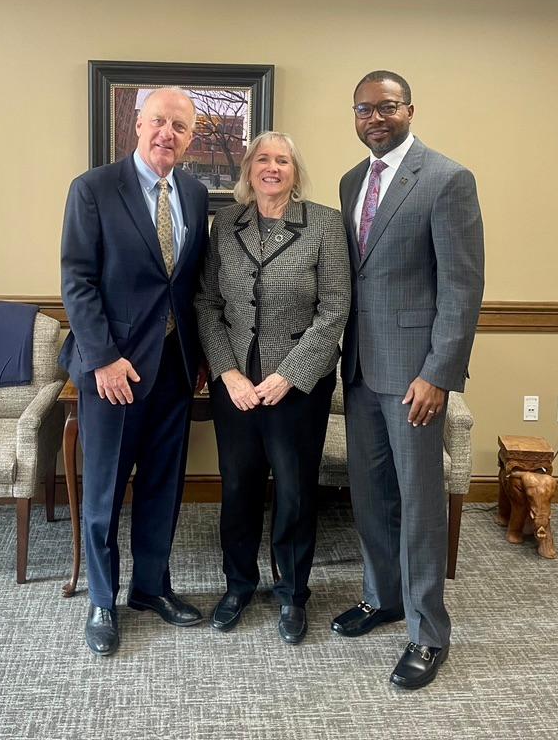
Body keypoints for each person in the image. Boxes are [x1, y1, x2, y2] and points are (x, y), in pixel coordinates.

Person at [332, 71, 484, 688]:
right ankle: (383, 596)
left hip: (416, 379)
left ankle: (426, 632)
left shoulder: (447, 179)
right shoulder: (349, 182)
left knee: (420, 503)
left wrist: (439, 375)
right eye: (364, 109)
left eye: (387, 107)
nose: (375, 117)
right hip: (362, 371)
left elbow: (462, 287)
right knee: (370, 496)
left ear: (410, 110)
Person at [60, 88, 209, 656]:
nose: (166, 133)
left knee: (162, 487)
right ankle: (103, 598)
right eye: (157, 122)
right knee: (103, 491)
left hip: (173, 368)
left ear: (191, 136)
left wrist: (197, 357)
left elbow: (188, 285)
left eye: (179, 125)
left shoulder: (194, 195)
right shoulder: (94, 189)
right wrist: (100, 358)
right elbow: (78, 279)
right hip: (112, 370)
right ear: (137, 127)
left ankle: (152, 588)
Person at [195, 131, 350, 644]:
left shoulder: (325, 224)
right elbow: (207, 304)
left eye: (282, 160)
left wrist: (289, 375)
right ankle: (238, 585)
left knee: (295, 491)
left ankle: (292, 593)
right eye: (262, 158)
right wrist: (229, 373)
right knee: (238, 487)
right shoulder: (226, 226)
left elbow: (334, 310)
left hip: (299, 387)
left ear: (295, 171)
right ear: (248, 169)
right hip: (236, 383)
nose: (272, 167)